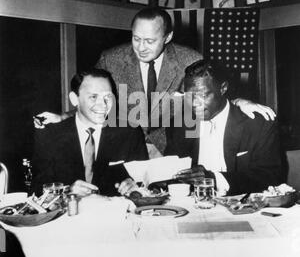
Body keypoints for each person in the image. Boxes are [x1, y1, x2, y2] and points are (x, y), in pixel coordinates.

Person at [35, 8, 276, 157]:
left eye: (150, 41)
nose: (141, 47)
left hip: (172, 150)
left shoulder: (189, 60)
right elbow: (92, 98)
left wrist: (242, 102)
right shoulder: (111, 59)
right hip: (123, 147)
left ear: (168, 37)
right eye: (136, 38)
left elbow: (209, 96)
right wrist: (64, 117)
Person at [164, 60, 282, 196]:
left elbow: (270, 177)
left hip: (241, 206)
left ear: (223, 88)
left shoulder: (257, 124)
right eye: (189, 96)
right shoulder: (180, 124)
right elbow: (170, 173)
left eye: (202, 95)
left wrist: (215, 179)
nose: (194, 103)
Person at [32, 68, 148, 197]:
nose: (103, 105)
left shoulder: (129, 132)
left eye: (108, 97)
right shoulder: (51, 135)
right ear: (74, 99)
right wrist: (67, 191)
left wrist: (135, 186)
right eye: (93, 97)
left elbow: (146, 182)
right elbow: (37, 189)